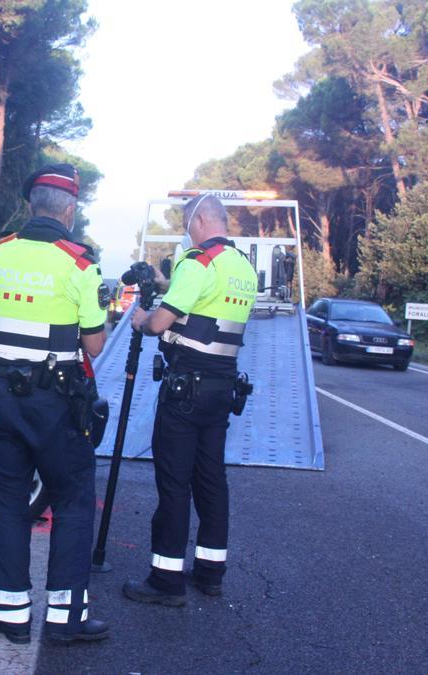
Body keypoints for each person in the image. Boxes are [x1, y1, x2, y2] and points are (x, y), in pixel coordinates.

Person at [0, 163, 111, 644]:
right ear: (68, 210)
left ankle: (12, 617)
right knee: (71, 500)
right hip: (54, 402)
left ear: (31, 206)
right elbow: (93, 347)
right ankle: (66, 619)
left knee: (10, 501)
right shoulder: (81, 265)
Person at [122, 194, 256, 606]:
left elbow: (162, 322)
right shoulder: (242, 267)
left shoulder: (198, 261)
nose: (186, 232)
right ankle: (210, 573)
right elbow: (204, 309)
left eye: (186, 224)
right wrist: (166, 285)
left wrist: (143, 318)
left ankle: (166, 580)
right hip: (222, 387)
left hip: (186, 390)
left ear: (199, 221)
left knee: (174, 483)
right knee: (211, 480)